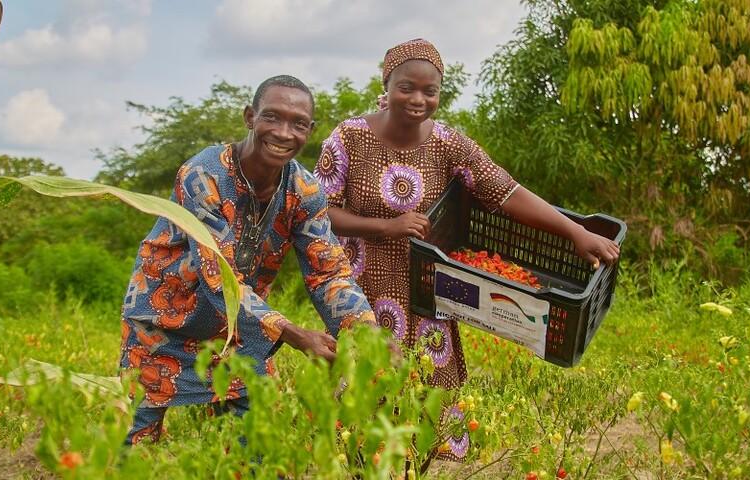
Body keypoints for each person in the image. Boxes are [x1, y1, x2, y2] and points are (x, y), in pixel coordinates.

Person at [314, 39, 619, 461]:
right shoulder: (349, 138)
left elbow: (506, 191)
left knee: (426, 407)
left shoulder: (449, 144)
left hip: (428, 293)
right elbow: (319, 212)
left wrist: (574, 231)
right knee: (369, 398)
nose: (418, 100)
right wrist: (387, 226)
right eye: (407, 87)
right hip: (364, 290)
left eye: (430, 91)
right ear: (386, 83)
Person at [120, 75, 375, 445]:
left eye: (298, 123)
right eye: (272, 117)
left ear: (310, 130)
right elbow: (217, 277)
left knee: (255, 438)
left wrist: (366, 334)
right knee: (138, 438)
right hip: (161, 322)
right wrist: (296, 335)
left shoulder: (303, 190)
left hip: (238, 327)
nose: (284, 132)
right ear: (250, 117)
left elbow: (328, 271)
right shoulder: (203, 175)